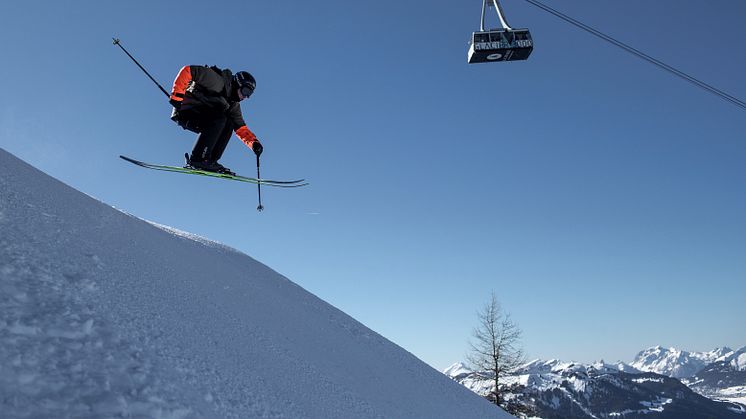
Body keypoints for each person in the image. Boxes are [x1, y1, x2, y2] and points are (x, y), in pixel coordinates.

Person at [169, 65, 263, 175]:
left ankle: (209, 161)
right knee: (220, 118)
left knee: (229, 122)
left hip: (205, 117)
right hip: (186, 111)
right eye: (246, 91)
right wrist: (177, 96)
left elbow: (240, 128)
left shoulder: (233, 104)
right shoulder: (217, 81)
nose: (246, 96)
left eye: (249, 94)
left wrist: (254, 144)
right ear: (238, 84)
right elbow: (188, 71)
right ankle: (198, 159)